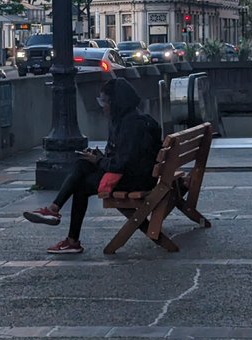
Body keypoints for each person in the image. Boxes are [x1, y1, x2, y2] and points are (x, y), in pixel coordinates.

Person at [24, 78, 162, 254]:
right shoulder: (133, 118)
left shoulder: (130, 126)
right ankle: (56, 213)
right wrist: (100, 158)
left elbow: (122, 164)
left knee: (81, 185)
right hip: (141, 175)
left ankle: (67, 231)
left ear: (115, 102)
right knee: (83, 164)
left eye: (104, 101)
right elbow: (127, 158)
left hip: (135, 181)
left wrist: (99, 161)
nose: (102, 106)